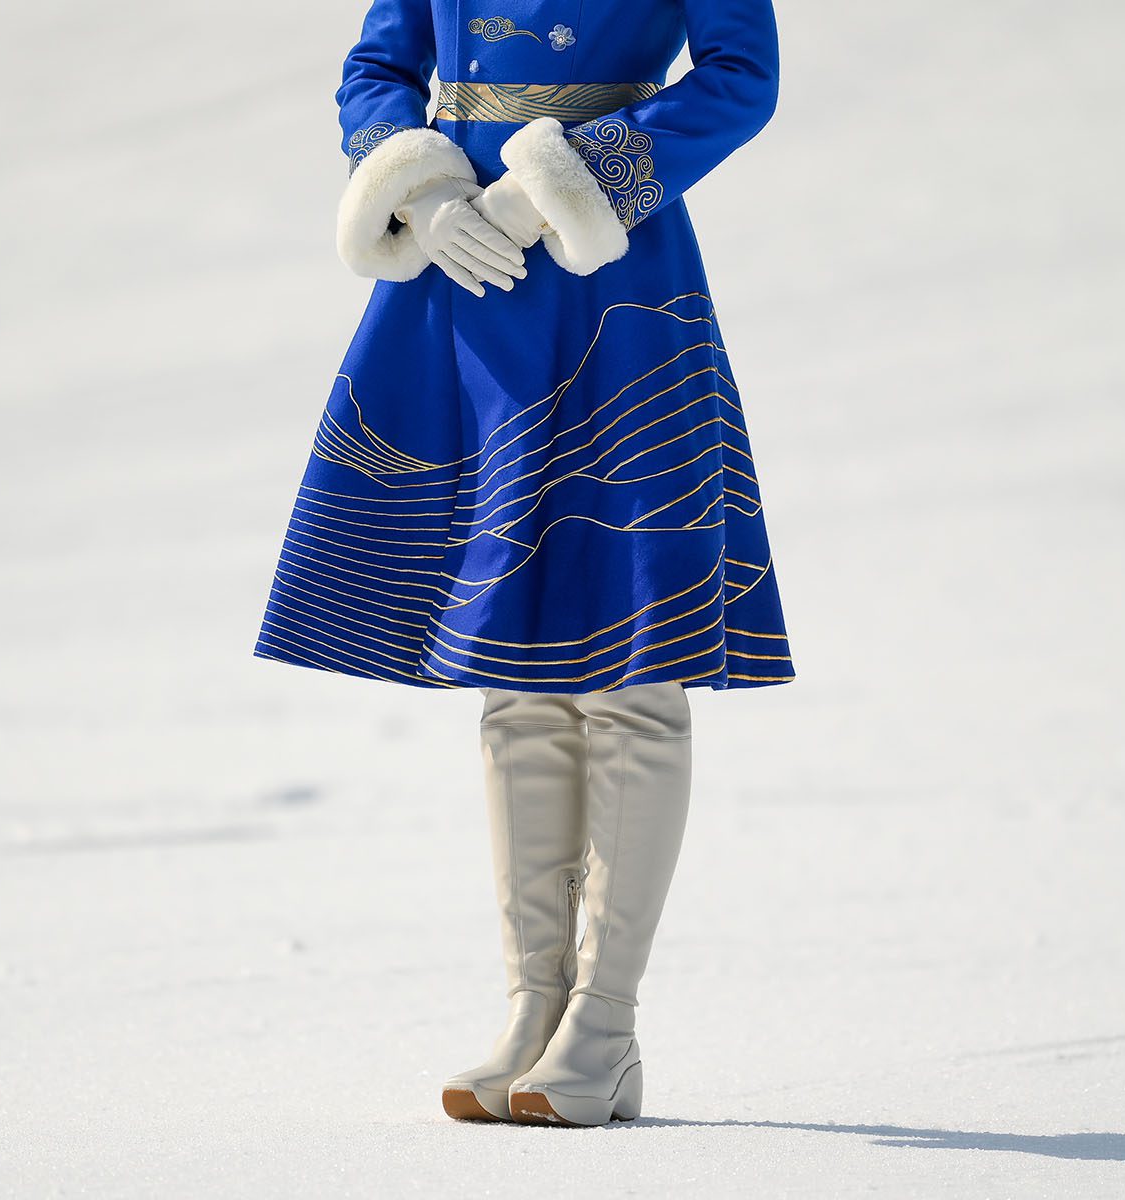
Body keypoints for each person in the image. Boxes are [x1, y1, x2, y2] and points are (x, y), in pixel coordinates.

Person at [251, 0, 793, 1126]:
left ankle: (604, 1023)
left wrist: (564, 184)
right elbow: (376, 64)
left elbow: (741, 76)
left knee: (630, 671)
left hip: (614, 284)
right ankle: (531, 1010)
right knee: (518, 678)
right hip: (471, 280)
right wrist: (423, 188)